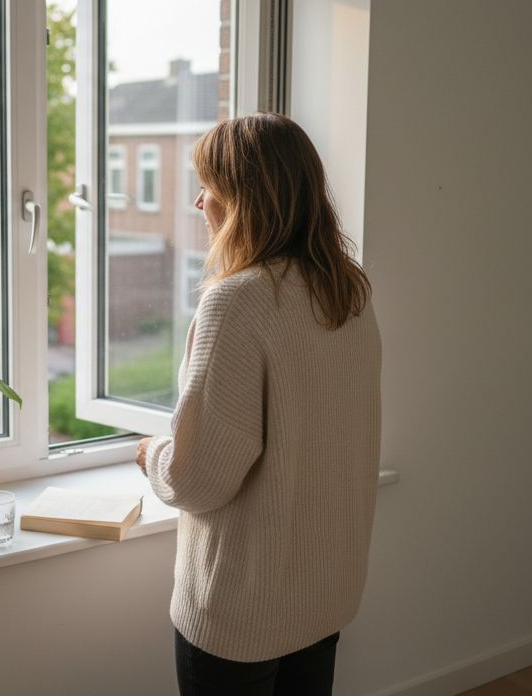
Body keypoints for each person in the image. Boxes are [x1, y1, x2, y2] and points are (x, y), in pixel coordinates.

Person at [135, 112, 381, 696]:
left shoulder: (237, 302)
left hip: (242, 607)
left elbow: (198, 480)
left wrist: (151, 455)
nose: (199, 202)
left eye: (208, 186)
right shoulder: (348, 289)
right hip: (325, 588)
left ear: (244, 199)